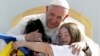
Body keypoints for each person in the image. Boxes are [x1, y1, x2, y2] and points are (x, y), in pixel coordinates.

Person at [7, 0, 100, 56]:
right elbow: (5, 40)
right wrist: (26, 37)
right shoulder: (29, 21)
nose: (53, 20)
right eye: (51, 14)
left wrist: (84, 45)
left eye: (59, 17)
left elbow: (96, 49)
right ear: (46, 9)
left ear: (65, 17)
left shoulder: (72, 27)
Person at [13, 23, 87, 56]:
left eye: (66, 34)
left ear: (75, 34)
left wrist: (24, 43)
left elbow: (46, 48)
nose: (63, 37)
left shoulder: (72, 49)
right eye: (60, 35)